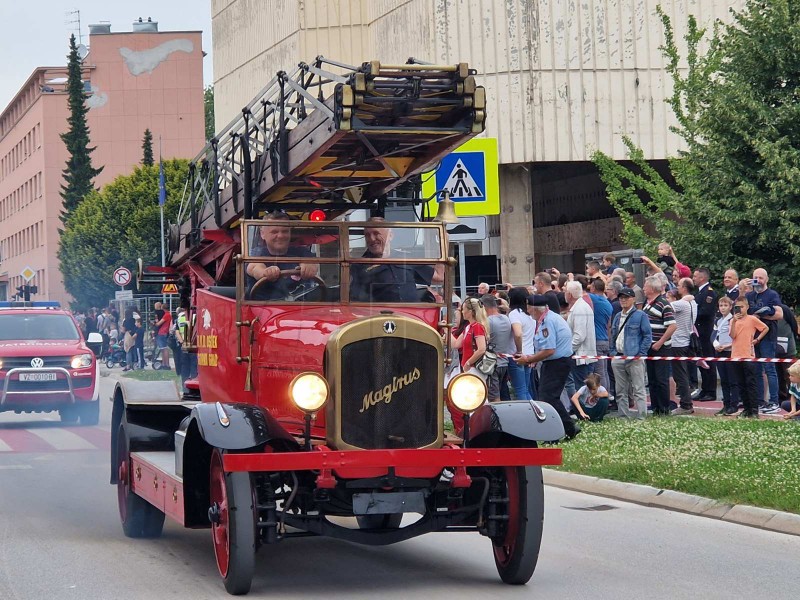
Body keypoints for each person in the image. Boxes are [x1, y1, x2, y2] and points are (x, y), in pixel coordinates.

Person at [514, 295, 579, 439]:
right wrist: (535, 360)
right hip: (554, 362)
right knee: (547, 397)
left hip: (557, 363)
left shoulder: (548, 321)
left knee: (548, 398)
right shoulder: (546, 318)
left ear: (534, 308)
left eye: (528, 307)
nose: (527, 310)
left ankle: (567, 428)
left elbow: (549, 350)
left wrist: (529, 359)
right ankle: (563, 429)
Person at [350, 218, 444, 302]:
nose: (372, 239)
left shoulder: (405, 258)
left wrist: (442, 242)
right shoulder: (360, 264)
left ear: (390, 235)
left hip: (412, 316)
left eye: (376, 233)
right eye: (367, 235)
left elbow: (439, 277)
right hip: (379, 318)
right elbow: (354, 300)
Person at [245, 211, 319, 300]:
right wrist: (265, 272)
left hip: (300, 309)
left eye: (285, 231)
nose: (280, 236)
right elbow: (254, 267)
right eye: (274, 232)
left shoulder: (302, 252)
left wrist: (308, 267)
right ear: (262, 234)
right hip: (263, 309)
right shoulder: (256, 253)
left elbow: (312, 265)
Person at [447, 296, 489, 434]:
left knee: (475, 399)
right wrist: (447, 330)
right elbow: (455, 344)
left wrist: (469, 362)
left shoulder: (477, 327)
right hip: (468, 368)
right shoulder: (468, 327)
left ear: (471, 312)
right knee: (471, 400)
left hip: (474, 368)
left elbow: (481, 348)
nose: (462, 312)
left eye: (464, 309)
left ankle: (480, 429)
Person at [610, 288, 652, 419]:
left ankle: (641, 416)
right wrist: (613, 352)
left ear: (633, 299)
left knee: (638, 389)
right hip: (618, 355)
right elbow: (613, 335)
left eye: (626, 297)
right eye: (621, 298)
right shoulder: (617, 316)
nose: (623, 300)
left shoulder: (640, 315)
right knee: (620, 390)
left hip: (634, 357)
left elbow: (647, 336)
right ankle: (623, 415)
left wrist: (640, 353)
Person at [745, 268, 783, 414]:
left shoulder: (772, 294)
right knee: (756, 370)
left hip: (768, 336)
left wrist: (761, 317)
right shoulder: (749, 295)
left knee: (770, 369)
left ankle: (774, 401)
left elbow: (779, 315)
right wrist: (744, 289)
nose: (758, 281)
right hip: (753, 337)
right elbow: (741, 311)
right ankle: (759, 400)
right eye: (755, 278)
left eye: (761, 278)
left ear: (766, 279)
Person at [642, 276, 676, 415]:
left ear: (651, 288)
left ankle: (664, 408)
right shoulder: (648, 303)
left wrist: (660, 342)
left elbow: (672, 326)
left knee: (661, 379)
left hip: (660, 348)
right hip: (649, 346)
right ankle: (655, 406)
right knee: (652, 379)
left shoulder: (664, 304)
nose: (643, 288)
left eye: (645, 286)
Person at [729, 296, 768, 418]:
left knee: (751, 382)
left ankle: (754, 410)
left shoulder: (751, 319)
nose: (739, 309)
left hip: (748, 355)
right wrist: (734, 321)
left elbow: (765, 328)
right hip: (736, 354)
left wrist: (757, 339)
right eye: (737, 307)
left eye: (742, 307)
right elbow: (732, 335)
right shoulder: (732, 320)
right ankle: (746, 409)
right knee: (741, 383)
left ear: (747, 307)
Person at [669, 278, 698, 415]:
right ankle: (686, 402)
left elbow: (665, 307)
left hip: (678, 342)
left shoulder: (682, 304)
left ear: (685, 288)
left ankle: (686, 404)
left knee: (680, 374)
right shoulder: (693, 303)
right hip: (686, 340)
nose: (677, 287)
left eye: (679, 285)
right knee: (682, 373)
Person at [564, 281, 597, 399]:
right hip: (582, 355)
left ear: (569, 294)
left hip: (581, 356)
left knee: (582, 388)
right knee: (584, 387)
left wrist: (568, 350)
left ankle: (584, 411)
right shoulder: (579, 307)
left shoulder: (579, 309)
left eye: (565, 291)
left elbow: (579, 336)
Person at [482, 295, 514, 403]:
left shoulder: (488, 322)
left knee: (493, 397)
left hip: (491, 363)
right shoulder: (506, 318)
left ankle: (495, 419)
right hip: (504, 362)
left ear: (484, 307)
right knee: (501, 392)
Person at [506, 287, 536, 400]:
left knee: (520, 390)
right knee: (526, 389)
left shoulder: (514, 314)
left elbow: (518, 334)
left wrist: (519, 351)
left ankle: (526, 414)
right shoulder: (529, 315)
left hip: (517, 355)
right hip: (529, 354)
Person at [692, 268, 717, 401]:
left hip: (706, 333)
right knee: (701, 362)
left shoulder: (709, 293)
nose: (693, 278)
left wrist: (692, 315)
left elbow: (705, 312)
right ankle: (705, 389)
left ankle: (711, 391)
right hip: (698, 333)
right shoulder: (700, 293)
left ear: (702, 278)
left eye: (695, 276)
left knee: (708, 361)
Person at [712, 296, 738, 415]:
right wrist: (716, 344)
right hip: (720, 351)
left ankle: (734, 405)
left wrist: (727, 346)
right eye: (721, 305)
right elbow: (713, 335)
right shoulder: (717, 320)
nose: (723, 308)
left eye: (725, 305)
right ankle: (726, 404)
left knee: (732, 379)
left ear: (731, 307)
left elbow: (737, 337)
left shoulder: (733, 320)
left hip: (730, 352)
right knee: (724, 380)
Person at [588, 279, 612, 392]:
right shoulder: (608, 303)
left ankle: (603, 397)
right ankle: (607, 394)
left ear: (593, 288)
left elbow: (581, 294)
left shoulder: (594, 299)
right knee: (604, 371)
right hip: (605, 339)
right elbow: (609, 324)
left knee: (599, 372)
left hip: (597, 340)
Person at [153, 301, 172, 370]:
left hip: (162, 332)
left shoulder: (166, 315)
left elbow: (158, 323)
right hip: (164, 332)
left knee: (164, 349)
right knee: (163, 349)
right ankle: (164, 364)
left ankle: (166, 364)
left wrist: (155, 322)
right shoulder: (168, 314)